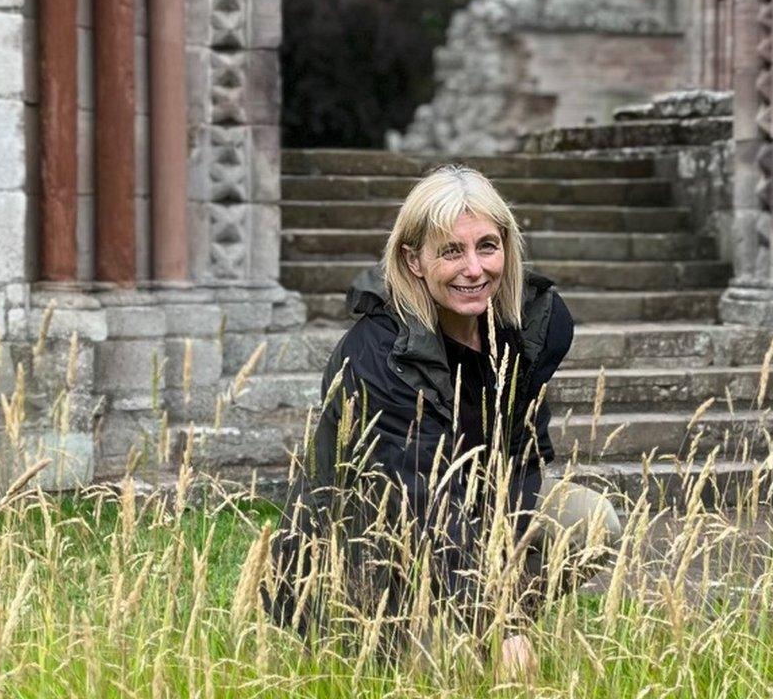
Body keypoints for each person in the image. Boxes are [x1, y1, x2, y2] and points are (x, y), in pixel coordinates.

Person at [263, 164, 623, 678]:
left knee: (588, 521)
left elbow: (520, 468)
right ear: (414, 260)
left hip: (468, 520)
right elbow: (416, 505)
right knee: (437, 675)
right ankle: (388, 644)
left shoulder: (523, 331)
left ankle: (475, 638)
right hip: (370, 550)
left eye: (487, 246)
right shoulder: (377, 354)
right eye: (451, 251)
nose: (474, 269)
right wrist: (498, 622)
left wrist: (508, 610)